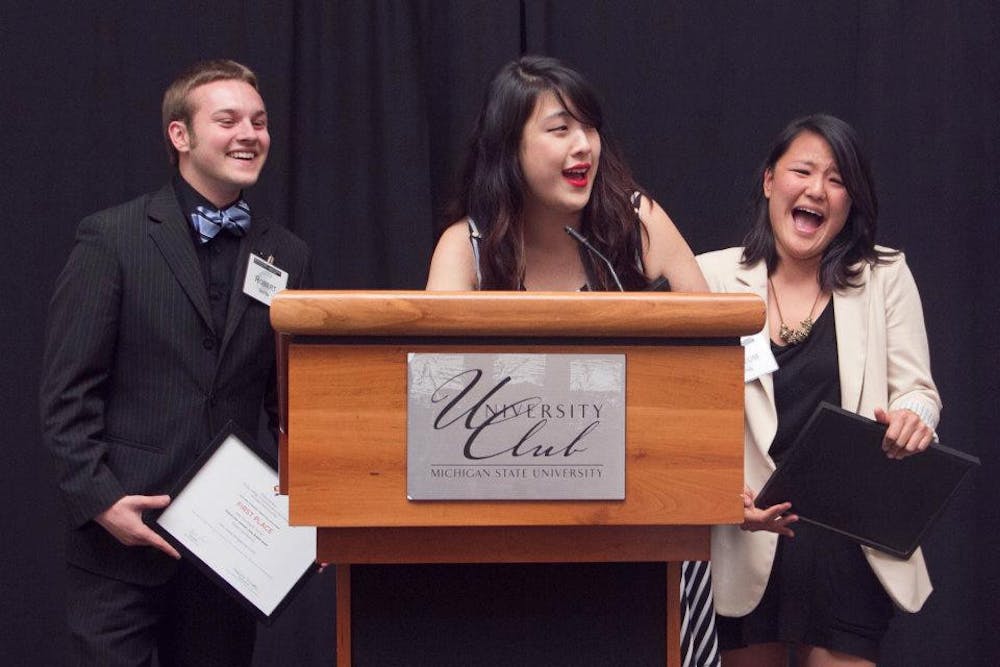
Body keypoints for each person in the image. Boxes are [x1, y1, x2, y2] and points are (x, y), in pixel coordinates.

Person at [426, 55, 716, 665]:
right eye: (560, 129)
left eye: (589, 127)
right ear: (509, 147)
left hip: (645, 516)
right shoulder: (466, 250)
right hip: (512, 532)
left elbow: (717, 352)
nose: (583, 145)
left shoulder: (637, 223)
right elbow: (435, 405)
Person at [39, 59, 310, 666]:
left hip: (228, 550)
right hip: (119, 544)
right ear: (180, 135)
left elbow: (290, 399)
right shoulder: (112, 238)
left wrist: (312, 500)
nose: (249, 133)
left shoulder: (287, 254)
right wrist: (102, 502)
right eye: (228, 119)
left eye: (260, 121)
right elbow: (66, 394)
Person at [697, 114, 940, 666]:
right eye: (802, 171)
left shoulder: (884, 277)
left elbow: (918, 390)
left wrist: (912, 417)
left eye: (836, 179)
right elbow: (685, 408)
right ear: (768, 182)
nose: (816, 190)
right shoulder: (710, 278)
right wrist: (722, 495)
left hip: (846, 541)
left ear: (850, 201)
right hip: (748, 531)